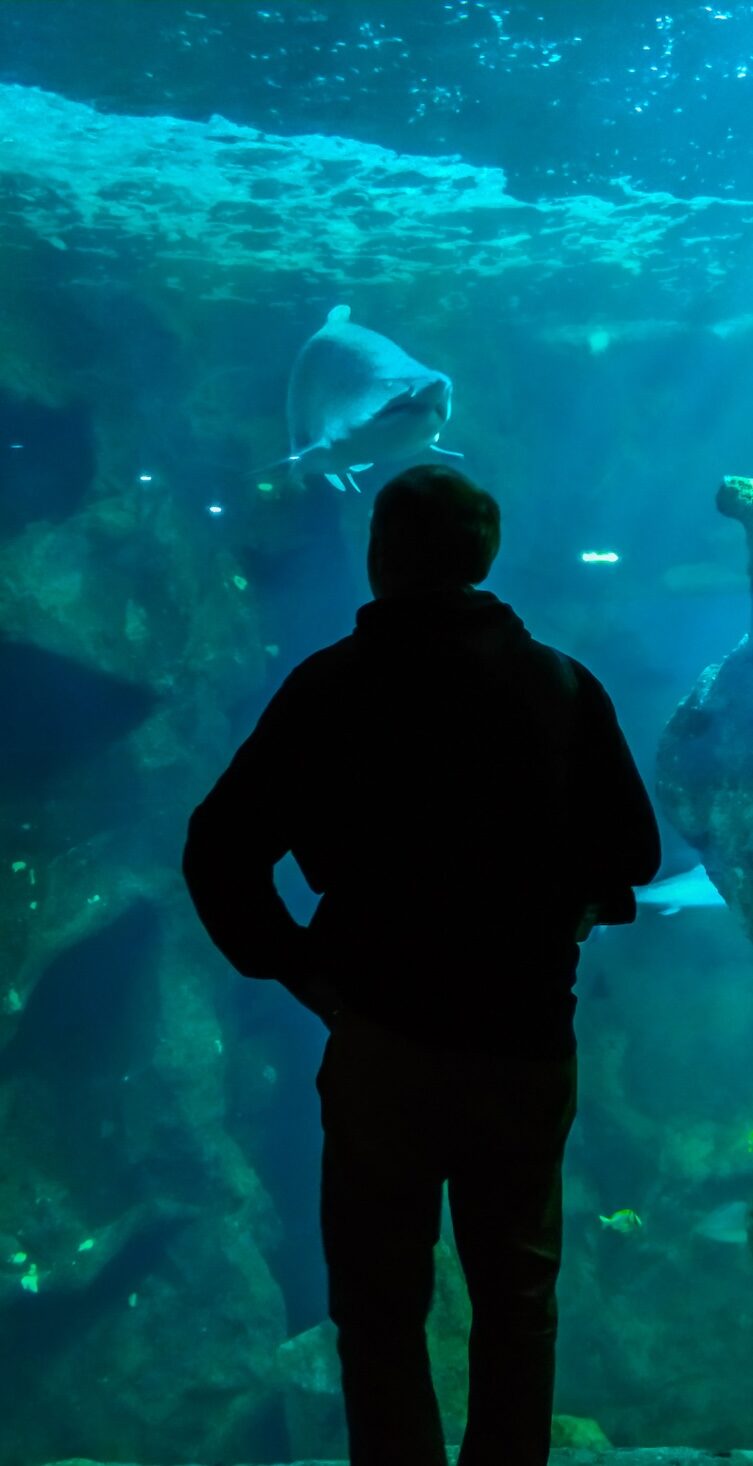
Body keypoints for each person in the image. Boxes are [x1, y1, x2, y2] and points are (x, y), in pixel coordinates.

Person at [182, 464, 661, 1466]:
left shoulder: (330, 687)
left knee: (377, 1301)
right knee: (516, 1300)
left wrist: (298, 967)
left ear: (380, 555)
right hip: (525, 1040)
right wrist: (571, 903)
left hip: (381, 1041)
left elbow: (218, 850)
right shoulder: (562, 686)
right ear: (485, 555)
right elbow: (634, 853)